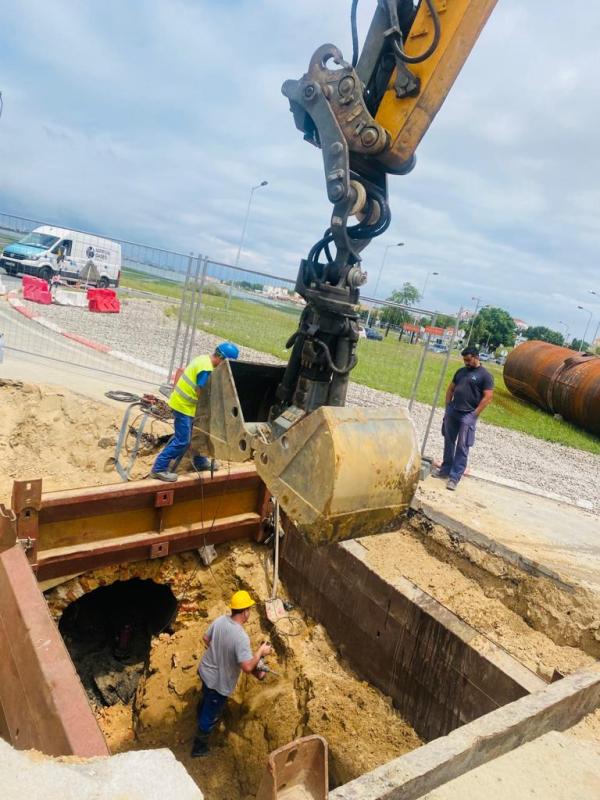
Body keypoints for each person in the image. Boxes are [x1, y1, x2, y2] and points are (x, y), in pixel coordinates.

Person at [191, 590, 272, 757]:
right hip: (218, 683)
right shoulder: (241, 637)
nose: (249, 612)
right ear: (245, 612)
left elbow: (206, 639)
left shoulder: (221, 620)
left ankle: (201, 711)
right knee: (210, 714)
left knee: (206, 696)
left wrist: (220, 651)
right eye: (249, 609)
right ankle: (199, 748)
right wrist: (261, 652)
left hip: (206, 671)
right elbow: (248, 668)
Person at [149, 342, 239, 482]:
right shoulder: (206, 369)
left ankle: (200, 461)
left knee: (199, 433)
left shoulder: (204, 359)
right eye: (226, 363)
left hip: (186, 405)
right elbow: (200, 393)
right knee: (182, 440)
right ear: (221, 358)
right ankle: (159, 469)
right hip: (183, 406)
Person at [436, 346, 494, 491]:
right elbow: (450, 389)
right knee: (449, 441)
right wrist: (448, 407)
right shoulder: (461, 372)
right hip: (453, 411)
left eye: (468, 360)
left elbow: (488, 397)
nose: (466, 363)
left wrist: (474, 415)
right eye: (464, 360)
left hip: (468, 415)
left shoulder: (485, 376)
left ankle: (454, 478)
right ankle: (445, 470)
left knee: (462, 446)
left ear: (476, 357)